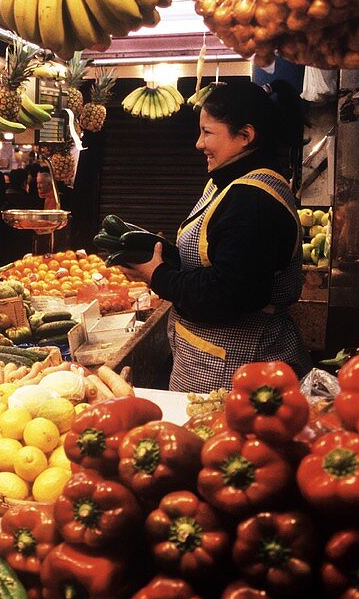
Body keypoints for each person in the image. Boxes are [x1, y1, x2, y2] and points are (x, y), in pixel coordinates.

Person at [121, 80, 313, 393]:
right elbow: (217, 256)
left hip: (239, 370)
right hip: (213, 361)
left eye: (208, 132)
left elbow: (232, 291)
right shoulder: (228, 182)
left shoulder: (252, 200)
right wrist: (161, 256)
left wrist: (159, 275)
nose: (198, 144)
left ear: (246, 136)